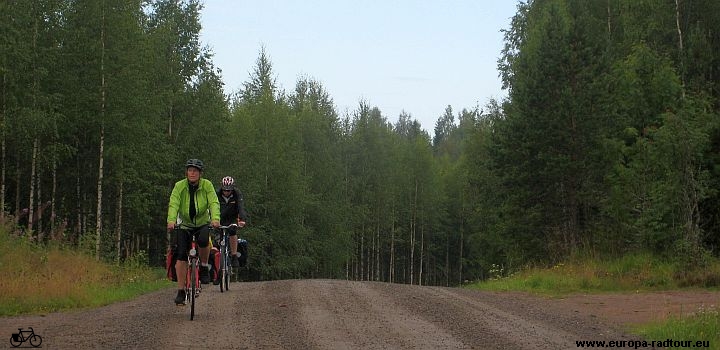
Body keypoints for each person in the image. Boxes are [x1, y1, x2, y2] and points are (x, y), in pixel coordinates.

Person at [167, 158, 221, 305]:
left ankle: (203, 266)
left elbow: (214, 202)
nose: (192, 173)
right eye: (190, 170)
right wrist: (171, 220)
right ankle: (180, 290)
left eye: (195, 171)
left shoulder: (207, 185)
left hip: (202, 222)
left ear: (200, 173)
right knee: (181, 254)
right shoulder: (179, 186)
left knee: (204, 241)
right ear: (186, 172)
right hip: (184, 224)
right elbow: (174, 203)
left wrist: (215, 219)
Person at [215, 176, 248, 273]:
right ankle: (217, 270)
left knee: (233, 231)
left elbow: (241, 207)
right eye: (225, 190)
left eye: (229, 190)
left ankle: (234, 255)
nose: (226, 192)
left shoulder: (237, 194)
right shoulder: (217, 194)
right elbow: (211, 206)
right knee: (216, 239)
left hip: (232, 218)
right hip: (219, 218)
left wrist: (242, 219)